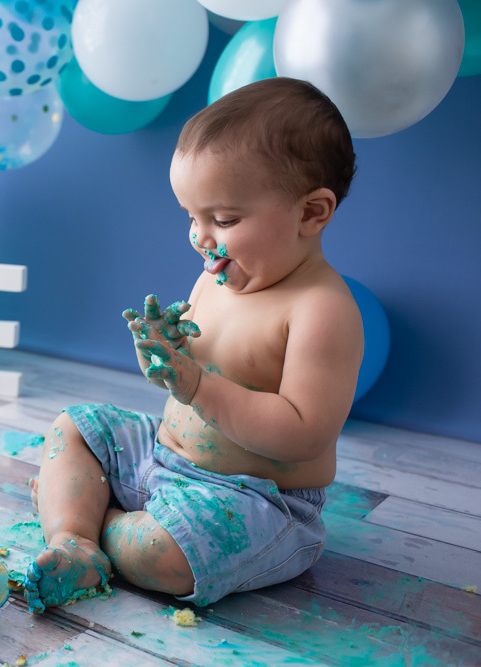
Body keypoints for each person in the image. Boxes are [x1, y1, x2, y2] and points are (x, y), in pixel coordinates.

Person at [24, 77, 363, 611]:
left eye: (224, 219)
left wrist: (196, 385)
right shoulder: (217, 277)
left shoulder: (320, 311)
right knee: (74, 427)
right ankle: (74, 539)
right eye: (191, 216)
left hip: (252, 502)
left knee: (167, 556)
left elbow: (303, 434)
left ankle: (91, 518)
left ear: (311, 212)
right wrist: (164, 355)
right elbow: (188, 371)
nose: (201, 237)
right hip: (162, 457)